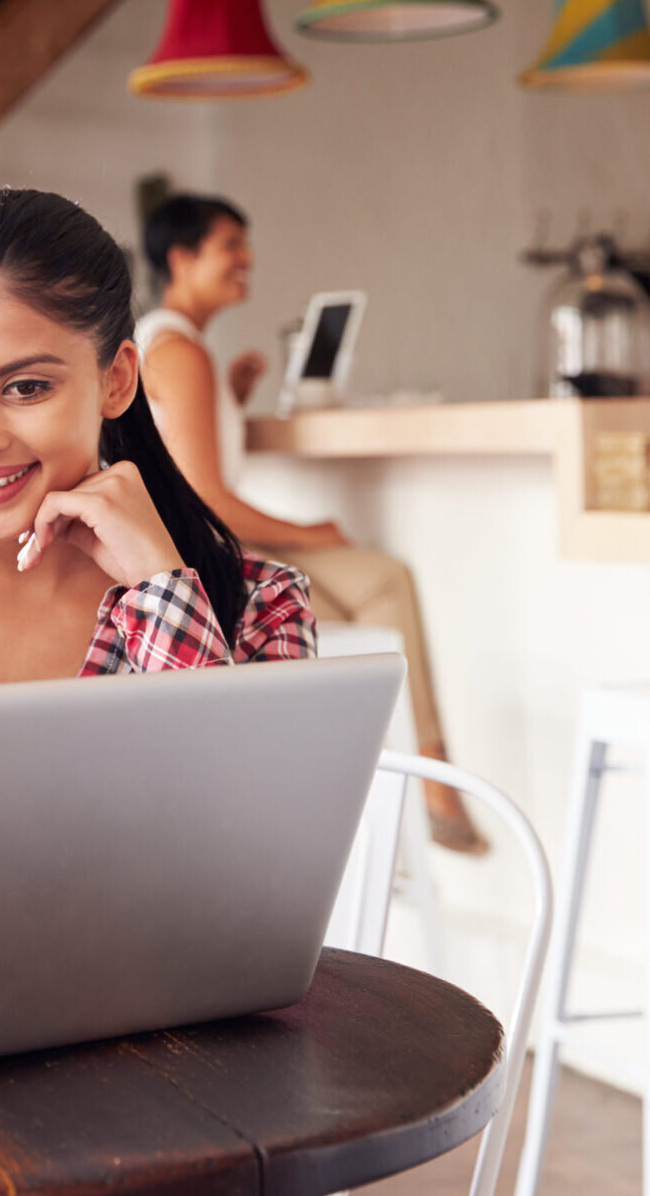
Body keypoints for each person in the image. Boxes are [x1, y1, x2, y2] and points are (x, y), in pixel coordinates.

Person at [0, 188, 315, 696]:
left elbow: (248, 778)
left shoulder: (261, 605)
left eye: (26, 388)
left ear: (116, 381)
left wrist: (163, 591)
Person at [134, 193, 485, 854]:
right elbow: (206, 496)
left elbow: (176, 453)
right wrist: (313, 531)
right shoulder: (178, 354)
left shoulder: (174, 347)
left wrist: (230, 395)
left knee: (383, 584)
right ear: (182, 257)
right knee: (372, 592)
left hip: (210, 550)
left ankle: (419, 779)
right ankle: (404, 790)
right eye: (231, 246)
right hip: (206, 568)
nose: (248, 260)